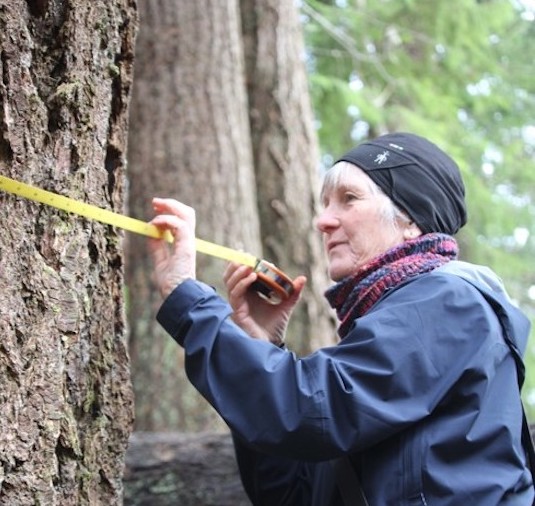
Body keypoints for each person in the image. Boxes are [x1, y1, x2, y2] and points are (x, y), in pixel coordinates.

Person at [148, 132, 534, 505]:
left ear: (411, 219)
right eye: (325, 203)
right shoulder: (394, 323)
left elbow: (309, 413)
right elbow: (291, 494)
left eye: (348, 199)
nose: (323, 221)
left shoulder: (447, 301)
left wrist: (190, 299)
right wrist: (259, 344)